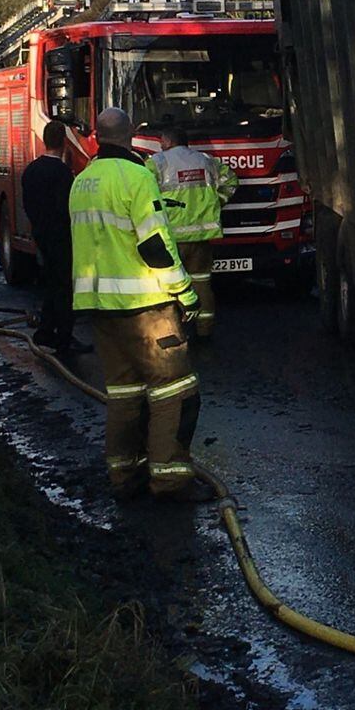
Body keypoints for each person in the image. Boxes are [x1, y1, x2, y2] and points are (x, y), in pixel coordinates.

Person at [69, 107, 207, 502]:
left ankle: (124, 477)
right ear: (130, 135)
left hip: (101, 309)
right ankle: (169, 480)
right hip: (146, 307)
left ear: (96, 136)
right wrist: (186, 293)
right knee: (173, 390)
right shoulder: (137, 177)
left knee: (124, 393)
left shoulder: (82, 182)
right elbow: (155, 246)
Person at [149, 123, 237, 340]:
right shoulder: (206, 161)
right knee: (201, 283)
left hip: (172, 238)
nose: (160, 146)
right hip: (201, 238)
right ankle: (204, 330)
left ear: (168, 142)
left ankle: (174, 332)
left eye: (162, 142)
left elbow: (143, 195)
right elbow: (231, 181)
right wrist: (218, 203)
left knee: (169, 286)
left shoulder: (156, 163)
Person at [21, 119, 92, 358]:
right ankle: (64, 339)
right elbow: (67, 208)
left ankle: (45, 332)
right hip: (62, 237)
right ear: (64, 142)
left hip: (41, 234)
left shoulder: (31, 170)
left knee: (52, 283)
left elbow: (27, 205)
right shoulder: (62, 173)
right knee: (64, 288)